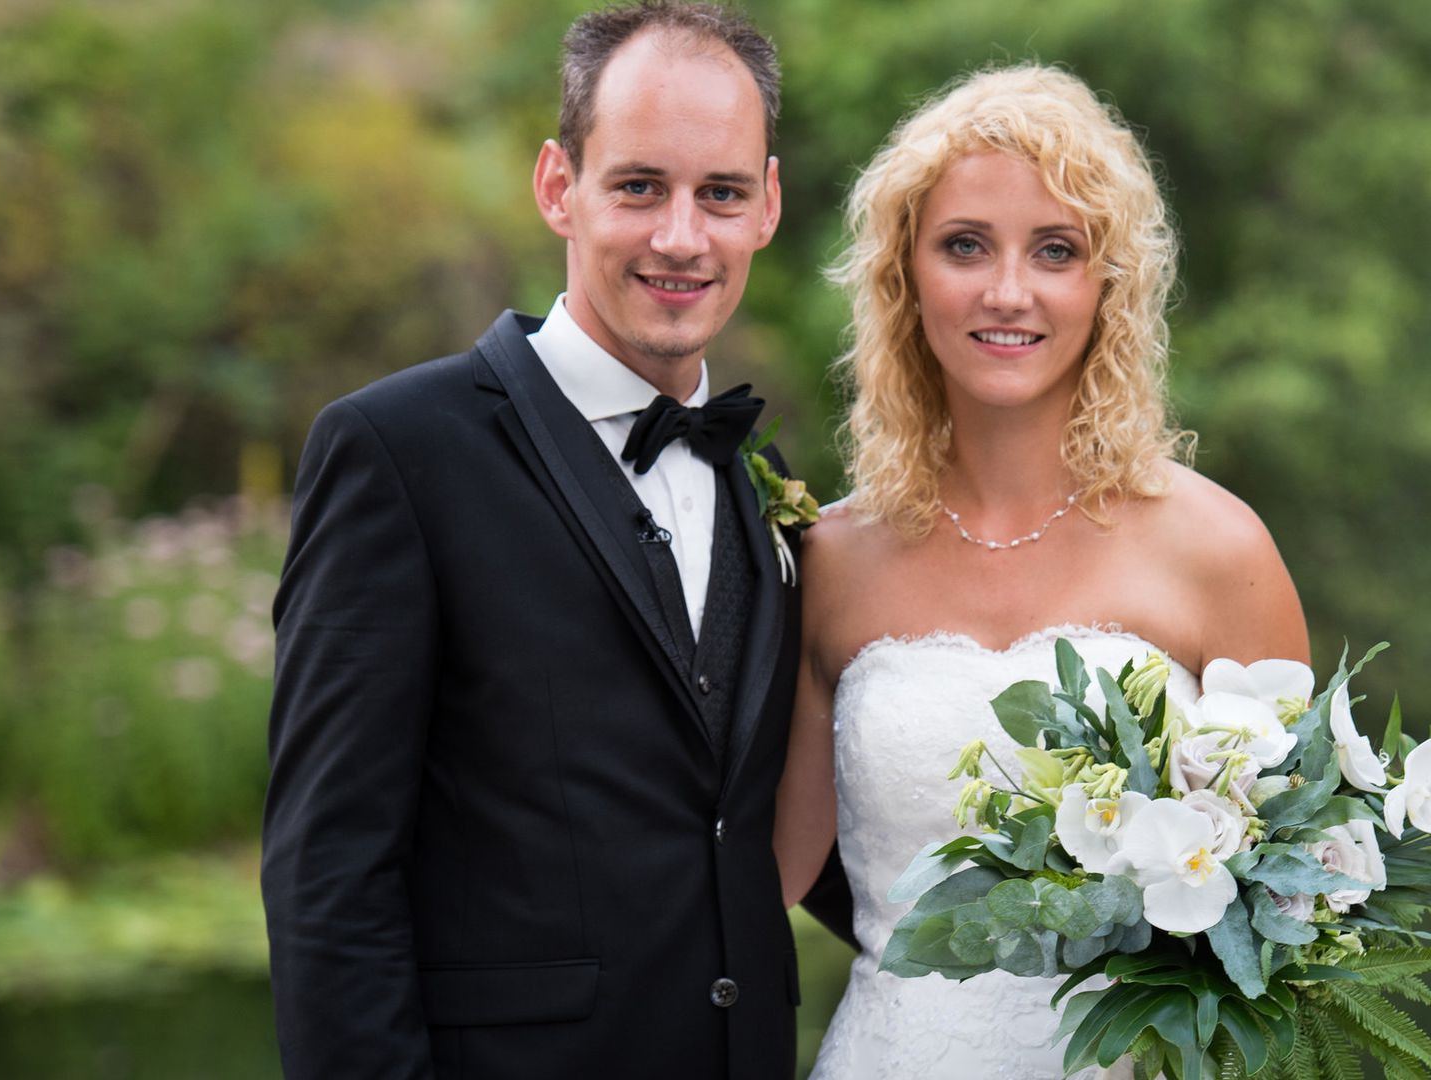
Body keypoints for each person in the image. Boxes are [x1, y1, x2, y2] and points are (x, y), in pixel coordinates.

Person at [262, 4, 846, 1077]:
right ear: (556, 187)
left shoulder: (769, 481)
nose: (682, 236)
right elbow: (329, 874)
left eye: (719, 193)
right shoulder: (395, 452)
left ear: (766, 206)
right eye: (639, 186)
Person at [773, 65, 1312, 1078]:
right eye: (965, 245)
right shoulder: (834, 562)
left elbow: (1300, 910)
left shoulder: (1220, 552)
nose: (1007, 290)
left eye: (1055, 251)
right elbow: (749, 891)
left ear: (1107, 286)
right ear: (903, 275)